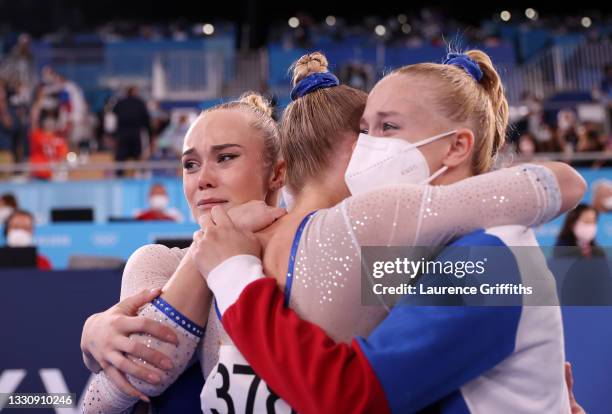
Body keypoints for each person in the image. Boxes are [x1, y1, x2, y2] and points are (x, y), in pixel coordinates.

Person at [81, 51, 584, 414]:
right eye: (364, 130)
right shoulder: (406, 257)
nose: (369, 149)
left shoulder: (489, 261)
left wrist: (234, 273)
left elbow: (349, 395)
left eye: (384, 128)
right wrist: (96, 334)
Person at [80, 92, 287, 412]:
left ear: (277, 173)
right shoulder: (157, 262)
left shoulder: (311, 248)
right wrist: (94, 334)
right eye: (191, 164)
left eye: (226, 158)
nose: (202, 179)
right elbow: (135, 381)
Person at [112, 86, 151, 176]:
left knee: (121, 156)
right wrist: (150, 134)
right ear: (134, 92)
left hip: (123, 134)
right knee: (138, 155)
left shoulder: (120, 103)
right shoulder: (140, 103)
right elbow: (146, 121)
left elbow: (112, 119)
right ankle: (141, 175)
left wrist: (113, 135)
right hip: (135, 134)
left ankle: (119, 175)